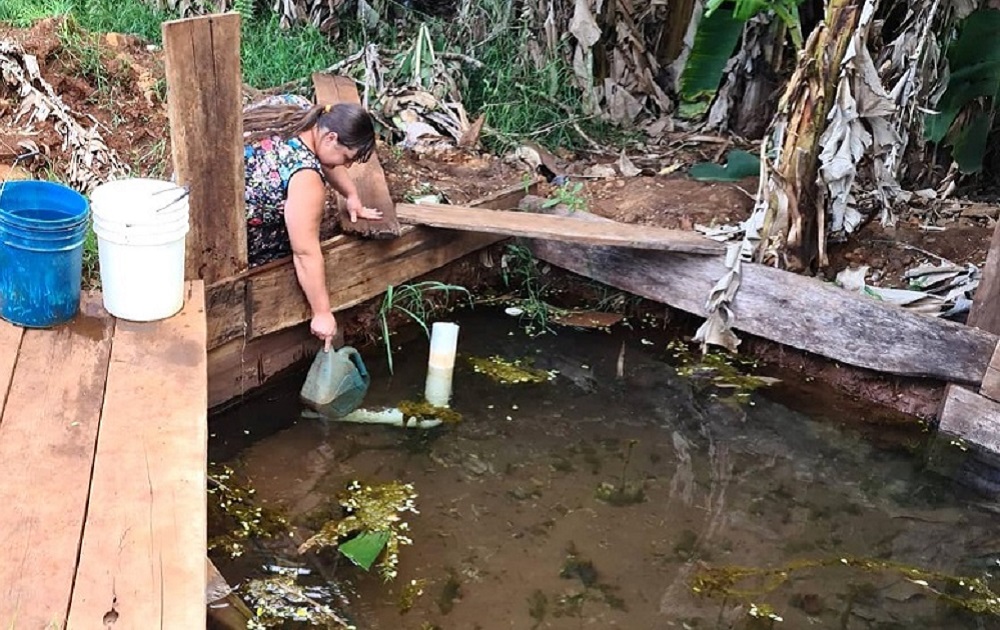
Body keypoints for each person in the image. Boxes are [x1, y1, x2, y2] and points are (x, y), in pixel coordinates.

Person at [242, 94, 384, 350]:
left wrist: (351, 195)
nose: (348, 165)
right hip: (232, 233)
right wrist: (322, 312)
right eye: (348, 157)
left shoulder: (299, 109)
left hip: (195, 192)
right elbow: (305, 252)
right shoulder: (305, 177)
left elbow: (324, 156)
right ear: (331, 138)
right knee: (301, 244)